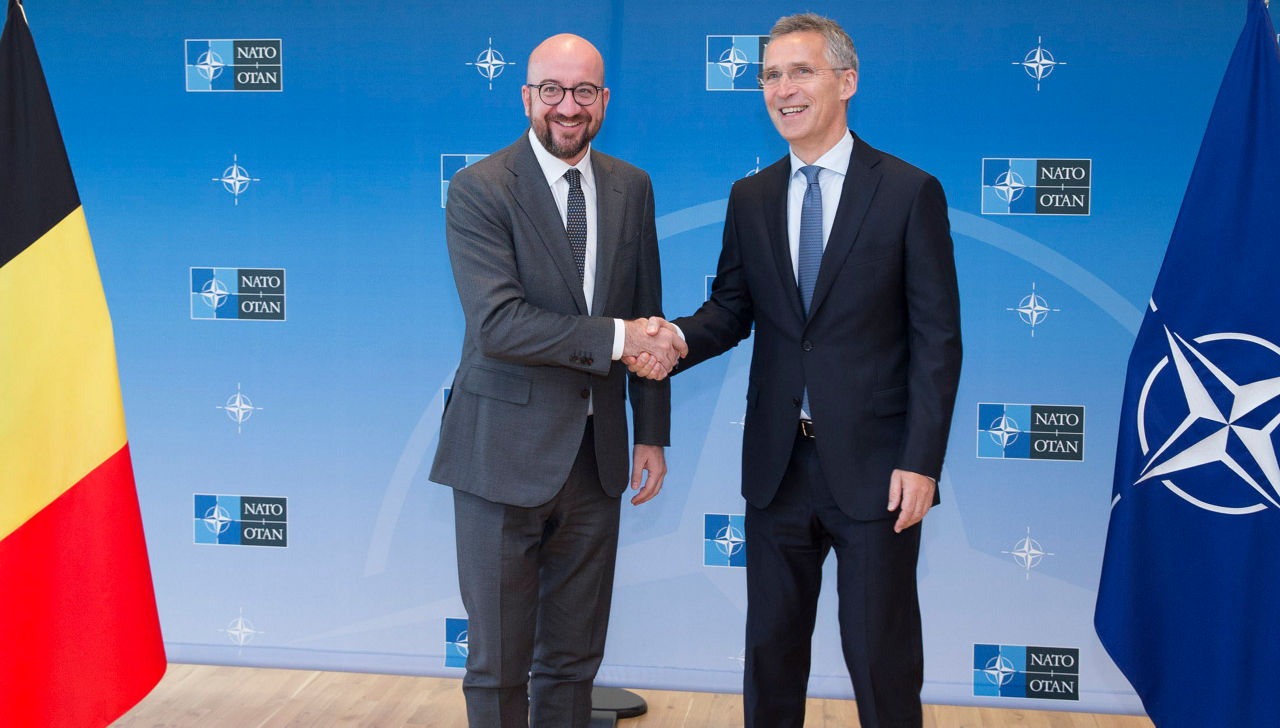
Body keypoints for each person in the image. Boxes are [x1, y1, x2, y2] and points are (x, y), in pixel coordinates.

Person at [629, 13, 962, 728]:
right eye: (771, 75)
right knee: (772, 657)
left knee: (882, 660)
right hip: (777, 469)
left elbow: (939, 340)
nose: (783, 89)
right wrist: (670, 341)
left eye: (800, 71)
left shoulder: (909, 192)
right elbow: (730, 309)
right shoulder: (751, 198)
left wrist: (921, 462)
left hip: (878, 473)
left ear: (846, 81)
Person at [429, 33, 686, 728]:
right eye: (552, 91)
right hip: (499, 458)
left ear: (603, 101)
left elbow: (646, 312)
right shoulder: (479, 188)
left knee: (574, 661)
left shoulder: (631, 186)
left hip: (597, 462)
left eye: (583, 93)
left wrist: (651, 433)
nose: (567, 108)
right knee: (499, 666)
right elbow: (501, 325)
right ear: (527, 97)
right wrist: (621, 338)